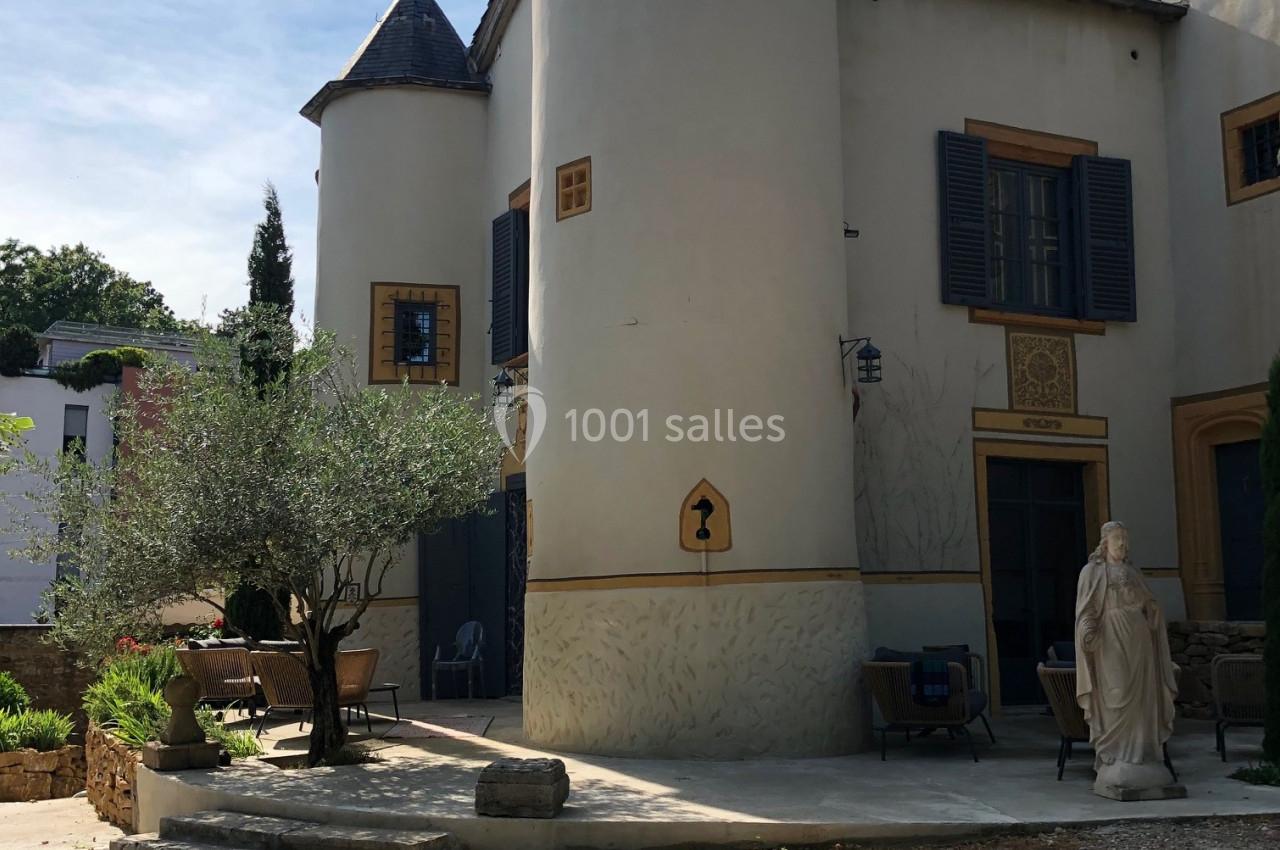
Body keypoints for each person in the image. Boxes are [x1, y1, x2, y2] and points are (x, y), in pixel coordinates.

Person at [1075, 521, 1178, 795]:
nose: (1122, 544)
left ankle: (1142, 755)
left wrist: (1152, 610)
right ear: (1105, 543)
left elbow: (1150, 605)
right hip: (1110, 639)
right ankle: (1115, 755)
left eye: (1125, 539)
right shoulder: (1092, 572)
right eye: (1117, 538)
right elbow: (1085, 610)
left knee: (1143, 696)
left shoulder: (1134, 572)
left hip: (1139, 638)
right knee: (1116, 692)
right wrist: (1087, 630)